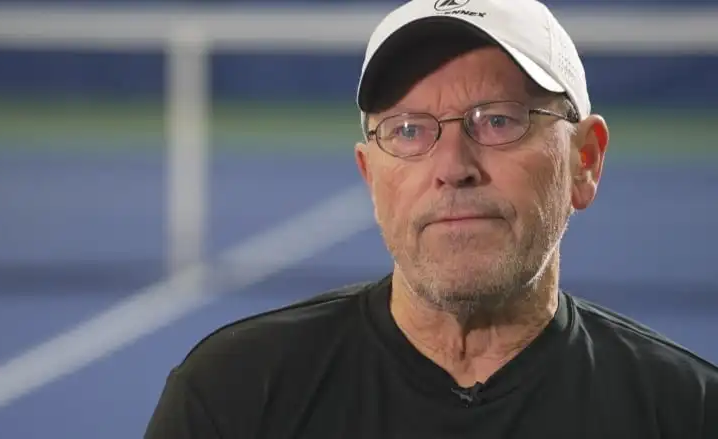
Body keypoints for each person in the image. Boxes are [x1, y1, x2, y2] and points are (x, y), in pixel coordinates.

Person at [144, 0, 718, 437]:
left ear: (584, 161)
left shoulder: (686, 413)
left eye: (497, 120)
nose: (453, 167)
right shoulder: (233, 399)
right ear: (372, 178)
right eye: (409, 130)